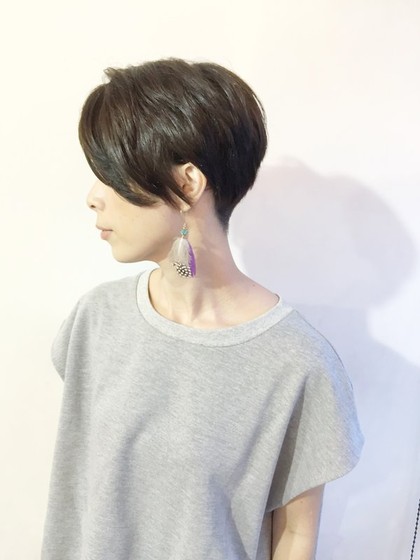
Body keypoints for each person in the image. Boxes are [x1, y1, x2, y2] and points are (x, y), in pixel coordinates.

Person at [41, 58, 363, 560]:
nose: (93, 197)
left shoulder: (297, 363)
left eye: (110, 174)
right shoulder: (95, 321)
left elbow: (295, 536)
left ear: (187, 184)